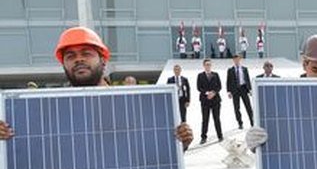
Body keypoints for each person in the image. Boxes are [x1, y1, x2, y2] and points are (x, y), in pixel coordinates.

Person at [0, 27, 192, 149]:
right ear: (64, 65)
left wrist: (178, 144)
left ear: (103, 60)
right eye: (71, 56)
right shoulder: (49, 114)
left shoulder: (133, 106)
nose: (79, 59)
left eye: (86, 53)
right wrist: (6, 138)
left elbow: (151, 157)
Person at [197, 58, 224, 145]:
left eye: (209, 64)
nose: (208, 66)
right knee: (205, 119)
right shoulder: (200, 75)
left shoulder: (215, 75)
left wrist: (213, 92)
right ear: (204, 66)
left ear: (211, 65)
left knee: (217, 119)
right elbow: (199, 87)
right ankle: (203, 137)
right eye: (206, 65)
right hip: (205, 101)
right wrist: (207, 93)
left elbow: (219, 86)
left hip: (215, 100)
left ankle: (220, 136)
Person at [226, 53, 254, 129]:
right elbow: (228, 81)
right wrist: (228, 91)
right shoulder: (230, 70)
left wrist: (250, 89)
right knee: (237, 108)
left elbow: (247, 79)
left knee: (248, 106)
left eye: (238, 59)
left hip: (243, 89)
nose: (237, 61)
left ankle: (252, 121)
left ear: (240, 59)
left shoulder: (244, 69)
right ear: (233, 60)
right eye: (235, 59)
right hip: (235, 90)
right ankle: (240, 123)